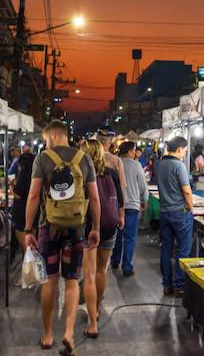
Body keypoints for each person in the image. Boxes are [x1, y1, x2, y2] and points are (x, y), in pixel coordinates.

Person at [24, 120, 101, 355]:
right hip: (76, 228)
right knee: (71, 282)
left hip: (49, 228)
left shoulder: (43, 158)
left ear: (53, 135)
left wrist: (28, 230)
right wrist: (95, 228)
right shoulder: (84, 158)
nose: (46, 143)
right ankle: (68, 333)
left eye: (46, 139)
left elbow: (34, 195)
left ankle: (48, 335)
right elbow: (95, 198)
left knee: (50, 281)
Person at [78, 139, 123, 339]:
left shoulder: (80, 174)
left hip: (88, 227)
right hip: (109, 225)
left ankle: (92, 321)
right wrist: (120, 217)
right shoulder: (111, 172)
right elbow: (120, 198)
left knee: (88, 274)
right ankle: (95, 307)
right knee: (101, 270)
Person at [155, 136, 194, 297]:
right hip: (180, 213)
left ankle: (167, 285)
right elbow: (186, 190)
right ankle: (180, 286)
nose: (185, 154)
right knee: (183, 250)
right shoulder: (179, 165)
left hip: (164, 212)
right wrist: (191, 208)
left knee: (166, 249)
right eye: (184, 151)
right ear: (179, 149)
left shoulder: (160, 164)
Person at [112, 141, 149, 275]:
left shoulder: (114, 163)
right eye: (134, 150)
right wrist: (144, 200)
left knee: (117, 235)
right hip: (132, 205)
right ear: (129, 152)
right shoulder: (136, 165)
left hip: (116, 206)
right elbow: (143, 186)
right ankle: (127, 267)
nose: (135, 153)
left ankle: (115, 261)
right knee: (130, 237)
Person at [12, 150, 35, 248]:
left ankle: (29, 262)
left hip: (22, 212)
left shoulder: (23, 174)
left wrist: (10, 186)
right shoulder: (36, 175)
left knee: (27, 247)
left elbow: (17, 194)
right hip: (34, 212)